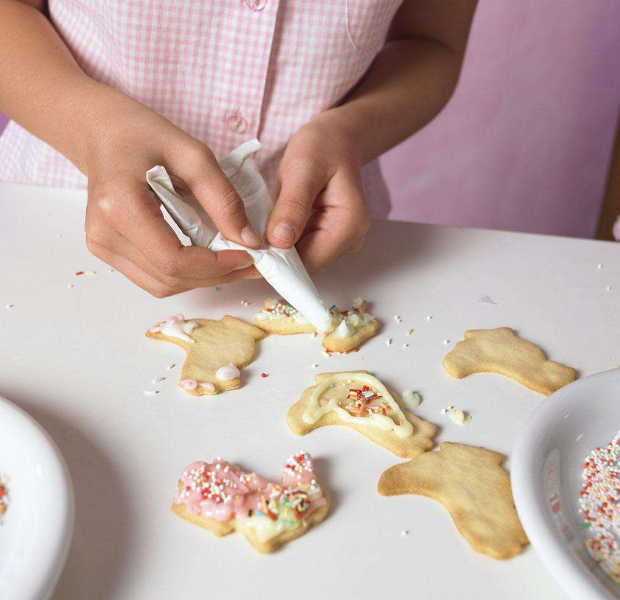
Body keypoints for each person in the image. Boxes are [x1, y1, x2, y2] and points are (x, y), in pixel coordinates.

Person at [0, 0, 477, 297]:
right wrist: (92, 129)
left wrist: (350, 133)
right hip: (58, 214)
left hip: (330, 242)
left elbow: (430, 42)